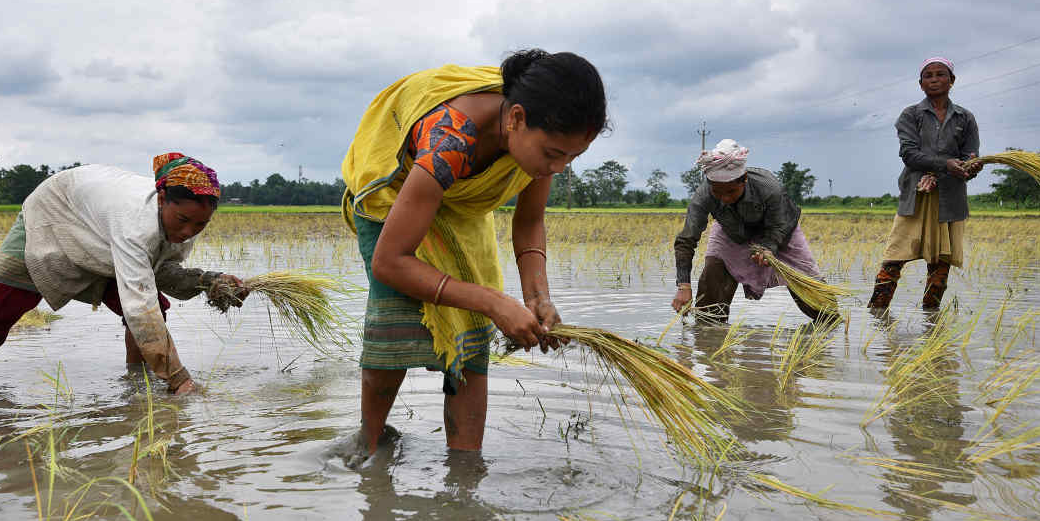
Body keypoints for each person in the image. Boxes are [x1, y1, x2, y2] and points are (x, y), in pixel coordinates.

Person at [342, 49, 607, 458]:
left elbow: (529, 221)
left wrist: (537, 297)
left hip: (461, 206)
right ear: (516, 118)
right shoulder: (452, 137)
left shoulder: (533, 153)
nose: (559, 168)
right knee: (392, 331)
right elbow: (390, 262)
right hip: (395, 199)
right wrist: (493, 301)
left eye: (572, 158)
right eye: (554, 154)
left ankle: (465, 470)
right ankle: (368, 445)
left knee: (470, 346)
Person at [0, 153, 245, 394]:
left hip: (101, 235)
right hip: (54, 216)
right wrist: (179, 379)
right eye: (183, 220)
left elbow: (161, 271)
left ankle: (138, 388)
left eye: (199, 225)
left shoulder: (180, 221)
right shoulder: (135, 225)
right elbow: (141, 310)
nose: (188, 231)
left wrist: (209, 281)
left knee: (155, 312)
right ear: (162, 199)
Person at [670, 139, 832, 324]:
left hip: (778, 230)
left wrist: (769, 246)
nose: (725, 198)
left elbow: (782, 223)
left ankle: (829, 322)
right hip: (731, 231)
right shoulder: (704, 195)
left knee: (823, 308)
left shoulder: (769, 187)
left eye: (731, 192)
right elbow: (686, 240)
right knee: (711, 287)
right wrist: (683, 285)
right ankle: (709, 338)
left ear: (744, 179)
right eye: (718, 193)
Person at [867, 57, 981, 310]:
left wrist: (971, 166)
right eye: (928, 76)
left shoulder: (965, 118)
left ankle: (931, 321)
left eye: (941, 74)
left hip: (950, 198)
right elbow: (909, 154)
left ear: (952, 81)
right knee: (893, 258)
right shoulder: (911, 115)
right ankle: (877, 314)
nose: (934, 79)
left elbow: (970, 156)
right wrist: (946, 164)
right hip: (917, 195)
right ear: (921, 84)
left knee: (941, 265)